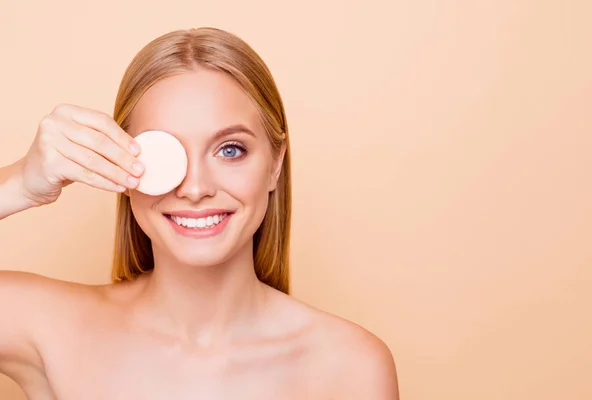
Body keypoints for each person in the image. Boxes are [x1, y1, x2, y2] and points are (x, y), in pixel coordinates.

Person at [0, 27, 399, 399]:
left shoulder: (351, 367)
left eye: (230, 150)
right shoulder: (52, 327)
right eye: (164, 153)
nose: (194, 188)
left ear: (275, 163)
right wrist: (20, 183)